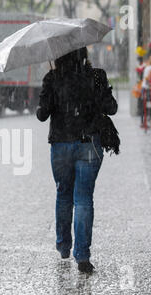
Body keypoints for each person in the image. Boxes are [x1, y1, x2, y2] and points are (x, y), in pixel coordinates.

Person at [36, 47, 118, 274]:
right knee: (83, 199)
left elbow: (42, 114)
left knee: (63, 193)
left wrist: (45, 100)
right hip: (89, 144)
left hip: (61, 144)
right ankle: (82, 256)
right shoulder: (96, 76)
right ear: (84, 55)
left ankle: (63, 245)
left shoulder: (52, 78)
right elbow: (112, 108)